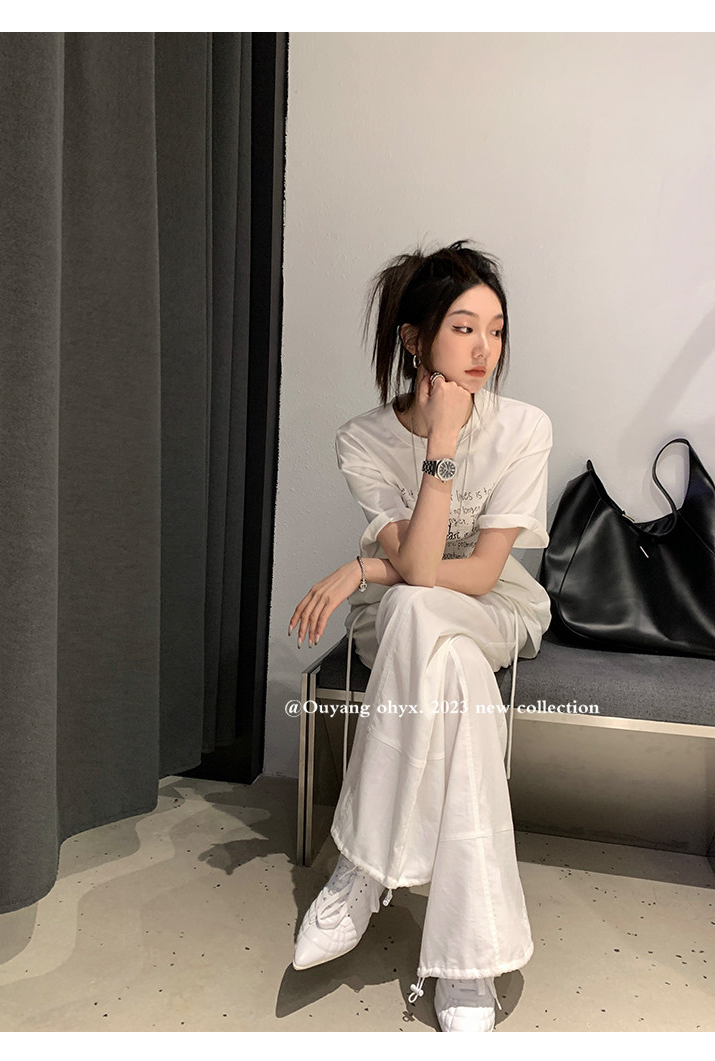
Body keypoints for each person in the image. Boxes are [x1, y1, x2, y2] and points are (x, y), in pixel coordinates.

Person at [287, 239, 552, 1033]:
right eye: (464, 328)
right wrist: (439, 445)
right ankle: (469, 960)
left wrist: (365, 569)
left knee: (413, 604)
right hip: (409, 626)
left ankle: (363, 865)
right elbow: (421, 569)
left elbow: (474, 572)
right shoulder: (362, 438)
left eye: (496, 330)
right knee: (428, 636)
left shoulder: (523, 427)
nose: (484, 350)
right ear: (414, 339)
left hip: (493, 605)